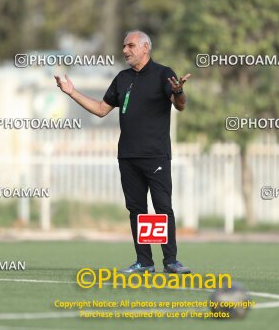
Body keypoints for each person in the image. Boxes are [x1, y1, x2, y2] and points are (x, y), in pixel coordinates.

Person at [54, 30, 191, 274]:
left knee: (162, 207)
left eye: (130, 46)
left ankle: (171, 261)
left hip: (155, 155)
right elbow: (100, 109)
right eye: (124, 46)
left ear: (145, 48)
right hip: (127, 156)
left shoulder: (163, 73)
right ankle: (144, 262)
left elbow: (179, 106)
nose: (125, 50)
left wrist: (179, 92)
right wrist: (71, 92)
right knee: (137, 210)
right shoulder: (122, 78)